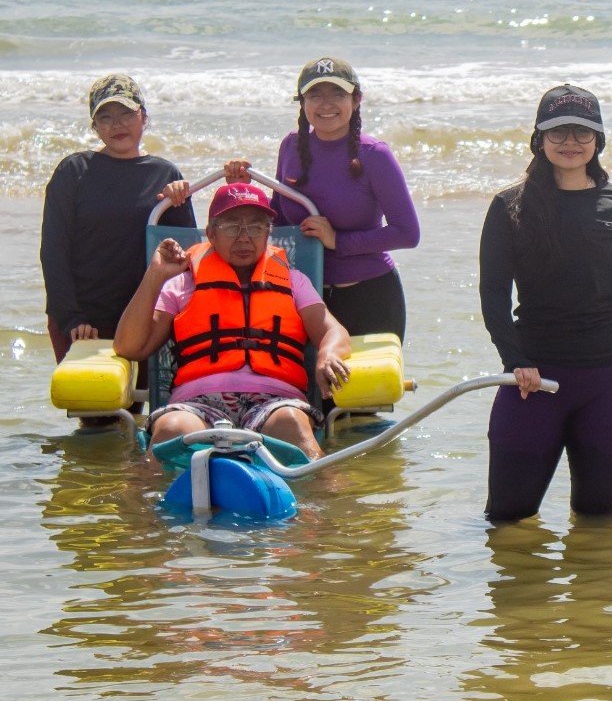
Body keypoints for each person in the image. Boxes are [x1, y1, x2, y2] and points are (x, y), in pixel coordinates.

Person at [479, 84, 612, 521]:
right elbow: (493, 295)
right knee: (508, 516)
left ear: (599, 140)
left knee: (598, 516)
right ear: (539, 139)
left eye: (582, 132)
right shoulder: (509, 206)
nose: (570, 142)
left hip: (609, 380)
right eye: (558, 132)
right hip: (534, 381)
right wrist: (515, 361)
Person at [113, 183, 351, 459]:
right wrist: (155, 275)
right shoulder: (182, 283)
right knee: (169, 429)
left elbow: (333, 330)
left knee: (292, 423)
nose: (244, 238)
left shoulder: (294, 281)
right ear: (211, 233)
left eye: (255, 227)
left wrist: (328, 353)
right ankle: (140, 502)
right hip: (196, 403)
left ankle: (328, 501)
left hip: (275, 402)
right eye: (231, 227)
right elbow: (129, 347)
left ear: (268, 234)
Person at [226, 57, 419, 341]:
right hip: (304, 296)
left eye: (337, 94)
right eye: (315, 95)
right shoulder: (291, 146)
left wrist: (337, 241)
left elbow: (407, 234)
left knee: (363, 386)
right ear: (302, 103)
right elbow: (277, 218)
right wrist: (245, 190)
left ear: (356, 100)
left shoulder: (375, 155)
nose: (326, 104)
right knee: (303, 386)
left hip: (368, 296)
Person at [40, 73, 195, 363]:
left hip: (147, 317)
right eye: (106, 117)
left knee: (152, 407)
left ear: (144, 117)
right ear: (95, 126)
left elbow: (183, 259)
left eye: (126, 113)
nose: (117, 124)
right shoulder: (73, 171)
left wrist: (178, 199)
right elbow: (53, 252)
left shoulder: (165, 175)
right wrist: (71, 318)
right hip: (84, 322)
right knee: (98, 408)